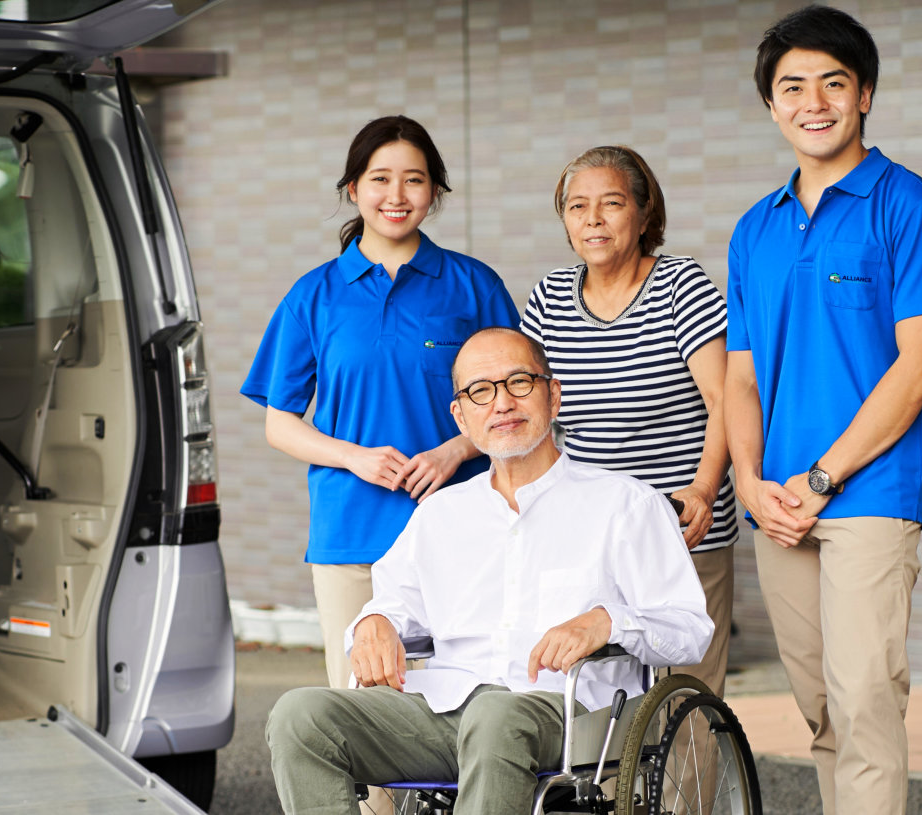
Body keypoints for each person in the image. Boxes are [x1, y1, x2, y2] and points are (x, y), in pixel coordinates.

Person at [267, 327, 712, 815]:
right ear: (460, 415)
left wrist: (609, 620)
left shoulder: (625, 505)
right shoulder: (439, 514)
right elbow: (393, 605)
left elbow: (689, 629)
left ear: (553, 395)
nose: (501, 403)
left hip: (566, 713)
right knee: (300, 715)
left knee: (497, 713)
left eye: (519, 382)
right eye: (480, 391)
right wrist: (375, 624)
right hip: (442, 711)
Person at [724, 6, 922, 814]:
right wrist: (753, 482)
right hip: (779, 503)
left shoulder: (908, 206)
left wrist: (823, 477)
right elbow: (742, 377)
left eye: (833, 82)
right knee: (822, 710)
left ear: (864, 94)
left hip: (865, 495)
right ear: (771, 106)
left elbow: (920, 365)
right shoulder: (755, 227)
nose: (813, 101)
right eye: (792, 87)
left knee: (864, 700)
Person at [242, 115, 518, 692]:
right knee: (361, 708)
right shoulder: (313, 296)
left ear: (435, 192)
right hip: (351, 533)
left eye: (414, 180)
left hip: (461, 527)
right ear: (354, 189)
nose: (396, 196)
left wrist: (453, 451)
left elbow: (519, 406)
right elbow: (280, 424)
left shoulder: (474, 286)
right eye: (380, 179)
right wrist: (354, 457)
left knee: (460, 701)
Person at [521, 145, 736, 697]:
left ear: (644, 215)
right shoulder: (548, 298)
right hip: (591, 533)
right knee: (595, 695)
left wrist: (704, 490)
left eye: (611, 203)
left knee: (684, 698)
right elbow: (525, 409)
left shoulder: (679, 286)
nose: (592, 219)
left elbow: (726, 398)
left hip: (681, 524)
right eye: (577, 206)